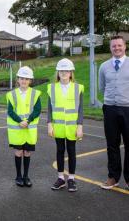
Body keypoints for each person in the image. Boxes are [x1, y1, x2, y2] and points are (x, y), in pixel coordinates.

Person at [47, 58, 84, 192]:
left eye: (66, 70)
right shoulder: (52, 88)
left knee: (72, 152)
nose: (64, 73)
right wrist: (49, 124)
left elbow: (80, 109)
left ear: (71, 73)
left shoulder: (77, 88)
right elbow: (50, 108)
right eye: (61, 70)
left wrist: (80, 126)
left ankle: (72, 179)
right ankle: (61, 178)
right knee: (60, 151)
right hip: (58, 126)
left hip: (72, 127)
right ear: (58, 72)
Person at [99, 35, 129, 190]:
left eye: (119, 45)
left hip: (128, 108)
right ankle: (113, 177)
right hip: (110, 108)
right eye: (113, 46)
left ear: (125, 46)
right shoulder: (104, 66)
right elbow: (102, 87)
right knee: (112, 144)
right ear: (110, 48)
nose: (117, 48)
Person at [6, 66, 41, 187]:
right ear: (18, 79)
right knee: (18, 152)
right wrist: (20, 121)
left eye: (27, 79)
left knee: (27, 152)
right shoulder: (12, 94)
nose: (24, 81)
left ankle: (26, 176)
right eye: (22, 78)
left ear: (30, 80)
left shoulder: (35, 94)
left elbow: (37, 110)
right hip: (17, 129)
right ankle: (18, 176)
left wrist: (28, 121)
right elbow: (10, 111)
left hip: (29, 129)